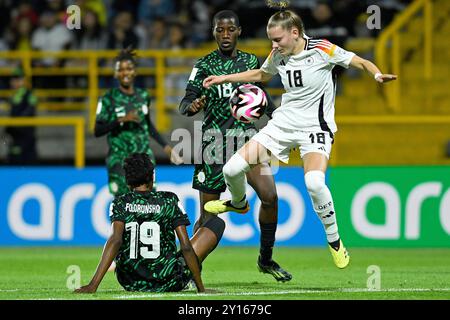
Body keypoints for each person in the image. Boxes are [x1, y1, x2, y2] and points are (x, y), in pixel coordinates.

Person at [202, 1, 397, 269]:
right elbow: (262, 73)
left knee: (315, 183)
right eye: (271, 40)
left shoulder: (323, 50)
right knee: (232, 168)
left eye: (277, 39)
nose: (274, 46)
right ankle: (238, 203)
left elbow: (359, 61)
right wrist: (224, 79)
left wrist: (376, 75)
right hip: (283, 124)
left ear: (294, 32)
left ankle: (335, 241)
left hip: (315, 128)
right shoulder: (279, 54)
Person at [179, 10, 292, 282]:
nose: (225, 34)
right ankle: (188, 270)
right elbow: (186, 102)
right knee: (207, 216)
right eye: (220, 30)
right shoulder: (204, 65)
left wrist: (282, 125)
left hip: (246, 142)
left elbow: (263, 99)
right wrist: (192, 106)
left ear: (239, 31)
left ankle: (265, 259)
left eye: (230, 30)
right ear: (214, 32)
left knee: (270, 197)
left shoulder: (251, 62)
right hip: (214, 145)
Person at [75, 152, 224, 293]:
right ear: (152, 177)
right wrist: (200, 288)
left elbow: (115, 241)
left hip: (131, 282)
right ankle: (186, 279)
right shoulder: (169, 200)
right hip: (169, 281)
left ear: (128, 181)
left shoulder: (120, 203)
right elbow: (185, 247)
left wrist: (93, 285)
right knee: (216, 224)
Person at [95, 47, 182, 197]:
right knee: (123, 204)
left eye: (129, 68)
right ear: (116, 73)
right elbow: (98, 130)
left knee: (148, 202)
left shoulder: (143, 96)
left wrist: (166, 147)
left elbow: (148, 125)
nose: (125, 73)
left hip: (143, 157)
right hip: (119, 158)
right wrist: (120, 120)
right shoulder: (108, 98)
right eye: (121, 69)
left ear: (135, 71)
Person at [4, 67, 38, 165]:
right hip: (15, 136)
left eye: (18, 79)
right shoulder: (13, 96)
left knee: (27, 162)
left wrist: (16, 123)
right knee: (13, 160)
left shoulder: (29, 94)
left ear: (23, 80)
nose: (14, 81)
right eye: (13, 79)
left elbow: (30, 111)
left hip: (25, 136)